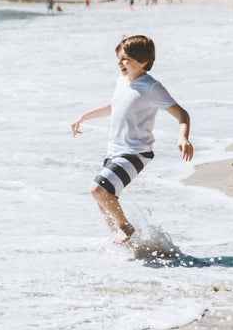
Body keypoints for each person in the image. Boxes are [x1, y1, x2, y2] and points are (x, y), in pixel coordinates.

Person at [71, 35, 193, 244]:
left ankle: (126, 228)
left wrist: (183, 137)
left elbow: (182, 114)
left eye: (125, 59)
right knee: (104, 200)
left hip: (136, 152)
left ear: (143, 61)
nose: (119, 63)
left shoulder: (151, 87)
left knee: (97, 189)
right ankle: (129, 248)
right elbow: (114, 107)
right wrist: (84, 117)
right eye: (119, 58)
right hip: (114, 151)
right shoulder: (121, 82)